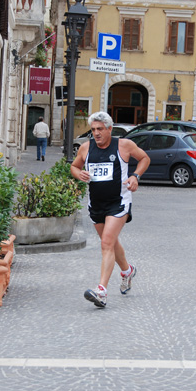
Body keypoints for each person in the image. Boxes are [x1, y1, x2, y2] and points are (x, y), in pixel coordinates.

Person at [70, 111, 150, 308]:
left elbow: (144, 158)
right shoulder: (86, 148)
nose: (96, 133)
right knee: (111, 242)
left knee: (106, 242)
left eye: (100, 129)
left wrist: (135, 176)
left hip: (119, 202)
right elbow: (73, 166)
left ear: (109, 129)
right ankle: (127, 271)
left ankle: (102, 292)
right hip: (96, 203)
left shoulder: (123, 145)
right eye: (94, 129)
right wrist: (79, 173)